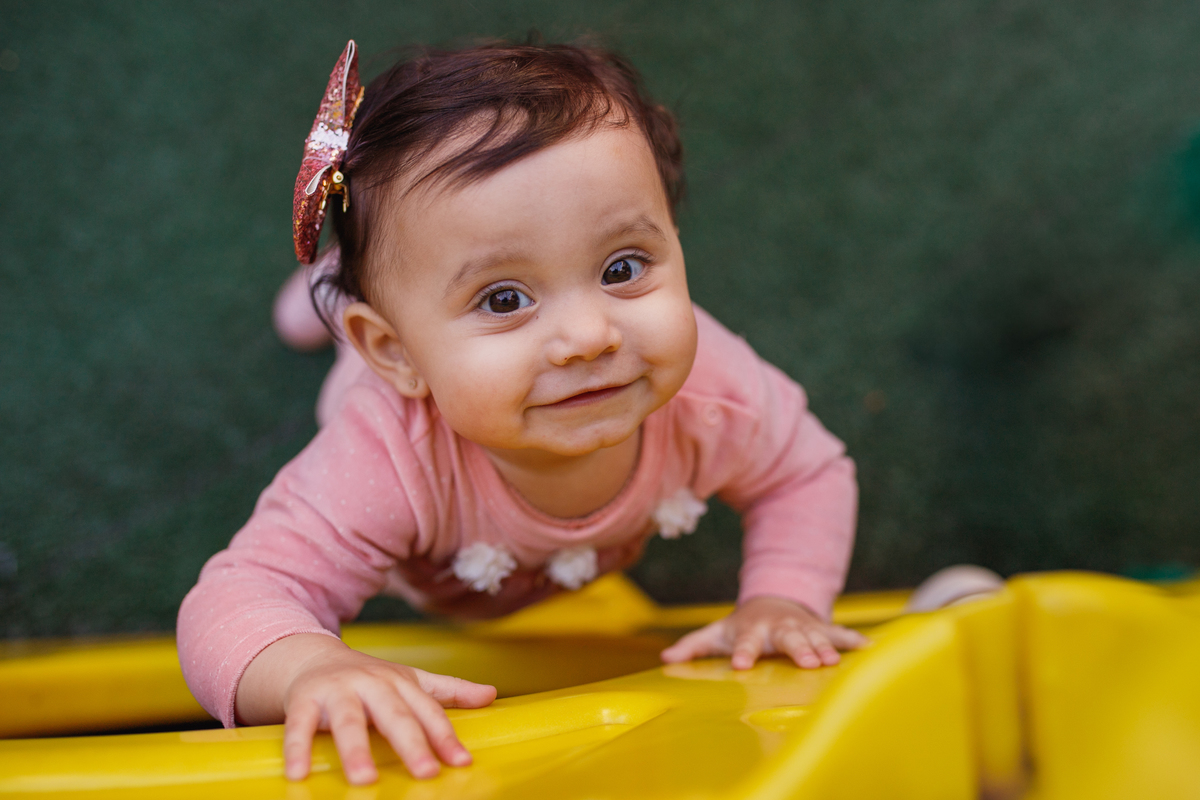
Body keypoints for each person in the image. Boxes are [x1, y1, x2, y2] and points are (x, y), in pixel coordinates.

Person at [177, 38, 864, 787]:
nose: (588, 337)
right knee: (363, 283)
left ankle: (376, 277)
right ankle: (336, 286)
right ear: (395, 351)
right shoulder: (383, 454)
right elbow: (234, 598)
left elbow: (806, 474)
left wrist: (781, 600)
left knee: (416, 265)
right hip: (397, 422)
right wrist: (310, 667)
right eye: (504, 299)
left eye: (622, 268)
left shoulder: (714, 393)